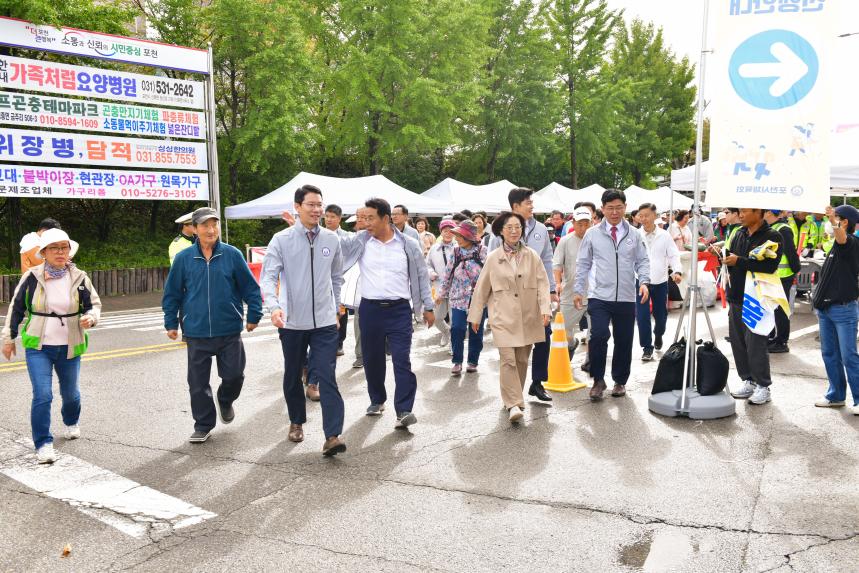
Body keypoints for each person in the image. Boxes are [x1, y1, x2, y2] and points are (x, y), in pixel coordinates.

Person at [162, 207, 263, 443]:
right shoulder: (183, 259)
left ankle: (225, 399)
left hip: (228, 329)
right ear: (195, 229)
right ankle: (203, 424)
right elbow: (172, 294)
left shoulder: (232, 254)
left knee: (234, 376)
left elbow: (250, 288)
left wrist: (254, 314)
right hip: (196, 331)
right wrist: (171, 322)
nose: (211, 229)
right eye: (205, 225)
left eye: (214, 224)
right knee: (197, 383)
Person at [2, 229, 101, 464]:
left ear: (69, 251)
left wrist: (91, 317)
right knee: (42, 395)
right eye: (54, 248)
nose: (60, 252)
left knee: (71, 395)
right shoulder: (32, 277)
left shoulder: (80, 277)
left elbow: (93, 305)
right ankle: (43, 443)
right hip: (39, 346)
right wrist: (9, 338)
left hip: (70, 344)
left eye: (64, 247)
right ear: (44, 253)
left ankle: (70, 420)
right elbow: (16, 308)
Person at [261, 186, 347, 456]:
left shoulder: (331, 240)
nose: (317, 210)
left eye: (319, 204)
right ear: (297, 207)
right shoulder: (281, 240)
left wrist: (335, 308)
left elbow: (336, 277)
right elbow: (268, 278)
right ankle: (296, 421)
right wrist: (274, 308)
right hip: (292, 323)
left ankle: (332, 435)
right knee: (292, 375)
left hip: (323, 323)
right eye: (311, 204)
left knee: (326, 375)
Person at [340, 198, 435, 429]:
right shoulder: (360, 241)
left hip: (399, 310)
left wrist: (428, 307)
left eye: (370, 218)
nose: (366, 223)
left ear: (385, 218)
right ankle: (377, 399)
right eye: (363, 218)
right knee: (372, 360)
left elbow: (421, 275)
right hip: (369, 310)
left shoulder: (408, 244)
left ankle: (404, 409)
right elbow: (336, 244)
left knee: (402, 359)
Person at [469, 212, 551, 423]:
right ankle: (514, 403)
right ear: (501, 231)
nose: (514, 231)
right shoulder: (493, 257)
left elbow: (543, 283)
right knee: (508, 360)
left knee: (522, 359)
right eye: (509, 228)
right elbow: (482, 288)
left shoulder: (531, 255)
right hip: (502, 317)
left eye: (518, 227)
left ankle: (514, 398)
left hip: (528, 316)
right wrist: (476, 315)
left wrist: (545, 308)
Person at [573, 189, 651, 401]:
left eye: (618, 207)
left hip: (626, 296)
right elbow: (583, 263)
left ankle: (619, 380)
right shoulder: (592, 234)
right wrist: (578, 289)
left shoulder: (634, 235)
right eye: (610, 208)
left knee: (624, 339)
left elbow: (643, 261)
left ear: (625, 208)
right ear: (602, 209)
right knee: (598, 335)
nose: (614, 212)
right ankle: (598, 380)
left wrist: (644, 282)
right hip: (599, 296)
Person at [489, 188, 556, 403]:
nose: (532, 205)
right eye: (527, 202)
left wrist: (551, 290)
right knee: (513, 353)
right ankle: (512, 395)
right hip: (508, 302)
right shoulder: (500, 230)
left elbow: (547, 261)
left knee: (544, 337)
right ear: (515, 206)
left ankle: (537, 382)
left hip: (535, 298)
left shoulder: (541, 230)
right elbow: (490, 266)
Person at [723, 208, 784, 405]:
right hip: (736, 295)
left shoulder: (773, 236)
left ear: (759, 212)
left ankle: (763, 385)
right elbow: (732, 262)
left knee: (756, 342)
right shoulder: (738, 233)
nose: (740, 215)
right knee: (738, 342)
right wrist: (723, 257)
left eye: (744, 211)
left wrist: (738, 260)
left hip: (757, 298)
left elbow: (769, 266)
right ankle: (747, 380)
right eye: (739, 211)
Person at [811, 205, 859, 414]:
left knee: (849, 356)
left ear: (844, 221)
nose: (830, 222)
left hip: (843, 310)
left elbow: (842, 239)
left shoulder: (852, 243)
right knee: (829, 353)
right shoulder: (837, 245)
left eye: (836, 218)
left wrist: (833, 221)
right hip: (826, 309)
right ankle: (836, 396)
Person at [436, 220, 487, 375]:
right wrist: (441, 294)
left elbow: (490, 274)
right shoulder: (456, 252)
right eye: (456, 235)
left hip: (478, 299)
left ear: (469, 236)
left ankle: (473, 361)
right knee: (457, 328)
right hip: (458, 298)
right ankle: (457, 361)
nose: (456, 238)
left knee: (476, 331)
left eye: (460, 235)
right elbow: (447, 274)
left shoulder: (482, 251)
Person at [636, 203, 682, 361]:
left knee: (660, 315)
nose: (643, 219)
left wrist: (676, 271)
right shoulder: (635, 235)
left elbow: (674, 255)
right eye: (640, 216)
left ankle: (658, 334)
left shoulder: (664, 235)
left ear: (655, 216)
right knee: (642, 316)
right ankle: (646, 347)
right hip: (641, 282)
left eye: (646, 215)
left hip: (660, 281)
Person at [553, 207, 592, 359]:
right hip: (570, 292)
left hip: (595, 293)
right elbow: (557, 265)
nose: (583, 228)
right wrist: (557, 283)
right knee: (564, 329)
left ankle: (590, 361)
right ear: (573, 223)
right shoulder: (565, 241)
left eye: (586, 224)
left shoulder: (597, 240)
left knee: (594, 333)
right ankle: (571, 344)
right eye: (580, 224)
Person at [763, 209, 801, 354]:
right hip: (773, 275)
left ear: (770, 213)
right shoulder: (772, 228)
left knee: (780, 309)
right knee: (772, 307)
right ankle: (773, 336)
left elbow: (791, 253)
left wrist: (795, 270)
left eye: (765, 211)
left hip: (783, 276)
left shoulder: (783, 229)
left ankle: (782, 341)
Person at [324, 204, 350, 356]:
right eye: (326, 216)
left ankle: (339, 342)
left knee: (341, 311)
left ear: (339, 218)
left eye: (332, 217)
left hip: (341, 280)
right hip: (323, 279)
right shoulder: (318, 234)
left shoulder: (346, 236)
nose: (329, 219)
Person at [427, 220, 456, 349]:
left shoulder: (459, 247)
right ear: (441, 232)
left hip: (456, 288)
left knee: (455, 319)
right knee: (437, 317)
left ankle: (453, 345)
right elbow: (427, 265)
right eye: (445, 231)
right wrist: (431, 273)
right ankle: (445, 332)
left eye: (451, 231)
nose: (448, 233)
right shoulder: (434, 248)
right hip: (439, 288)